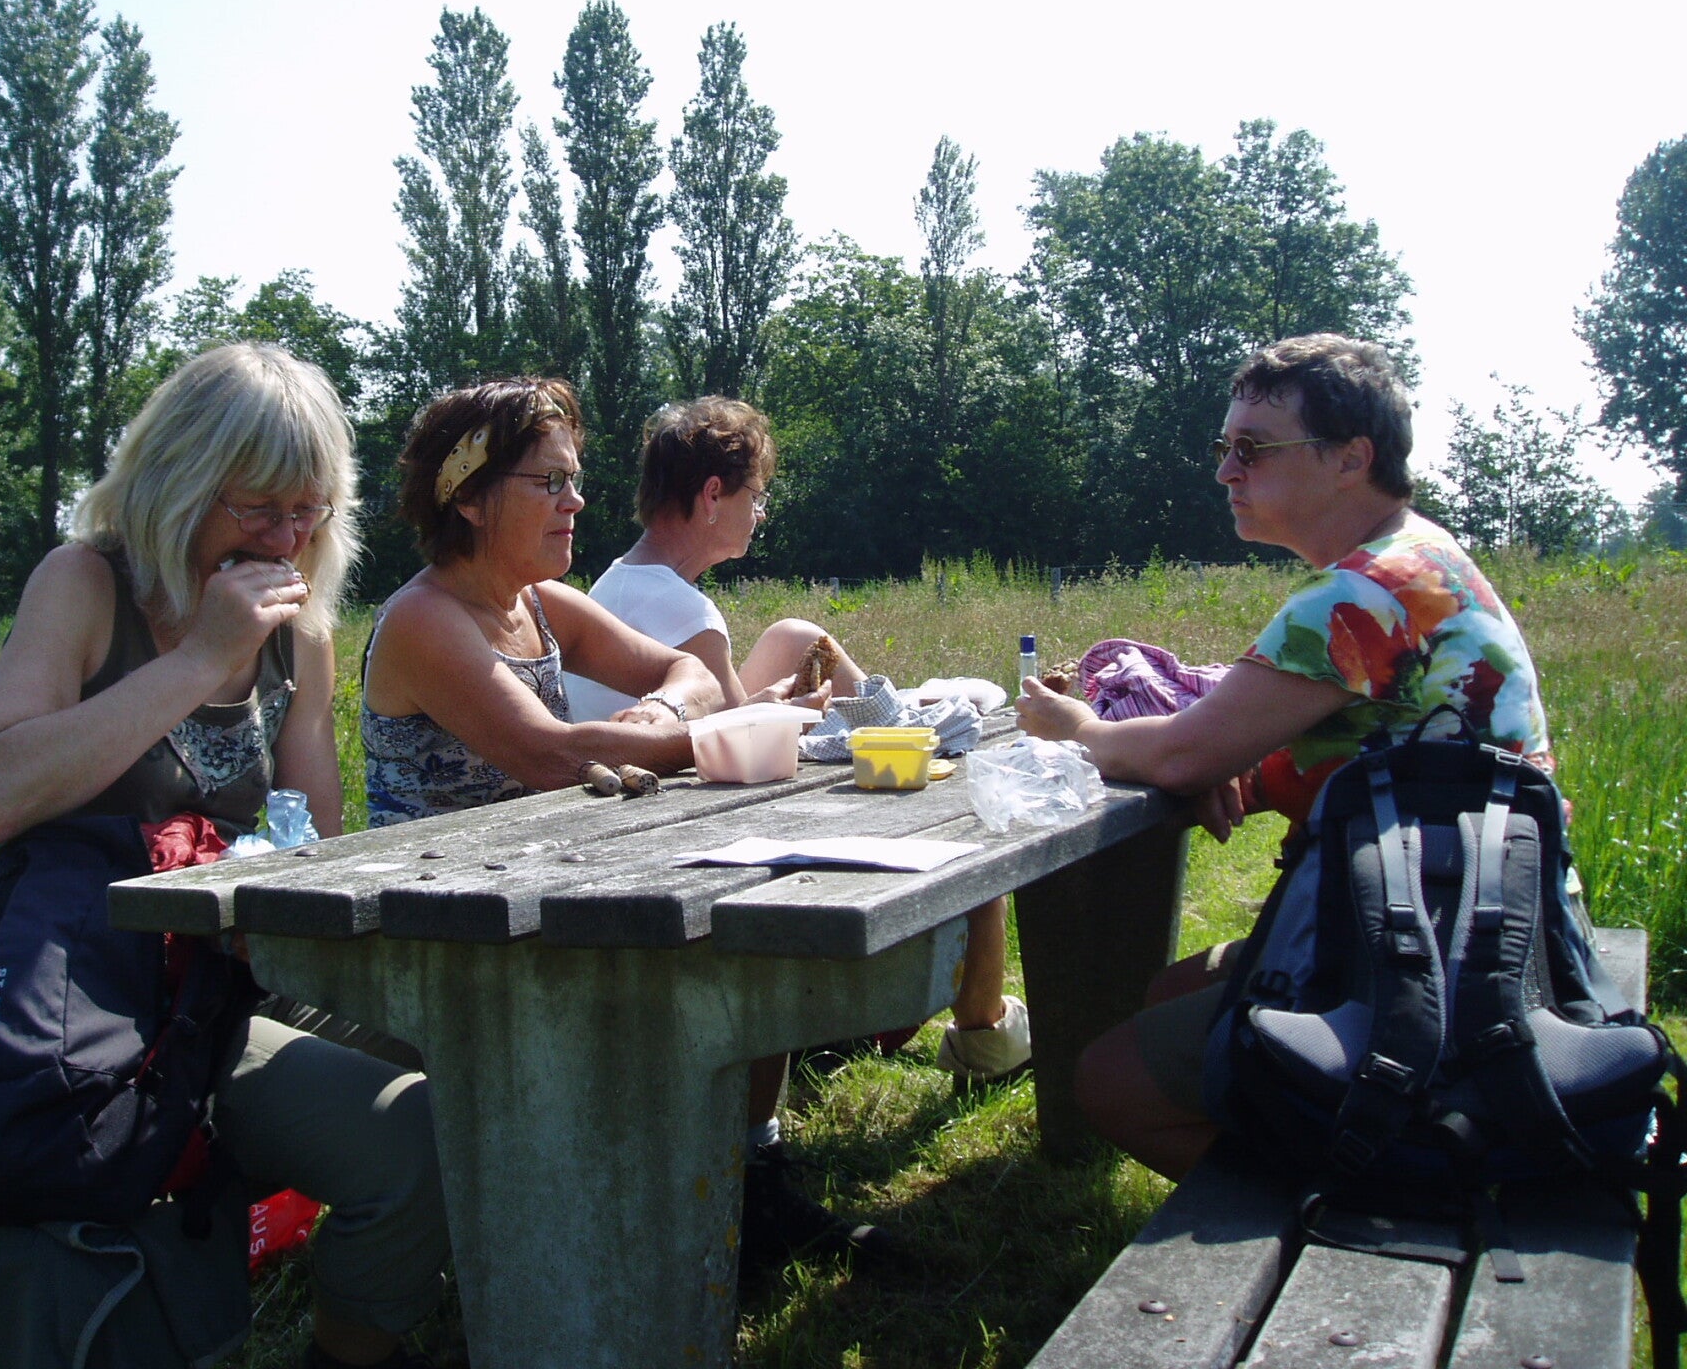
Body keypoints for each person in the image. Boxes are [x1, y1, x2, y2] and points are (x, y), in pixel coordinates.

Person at [0, 342, 445, 1369]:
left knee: (467, 1029)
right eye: (258, 509)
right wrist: (200, 659)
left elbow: (312, 845)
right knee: (408, 1143)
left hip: (228, 986)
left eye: (308, 511)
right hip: (99, 1009)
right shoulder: (86, 584)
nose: (287, 539)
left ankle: (394, 1311)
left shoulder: (298, 630)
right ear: (176, 483)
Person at [1017, 333, 1555, 1183]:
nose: (1226, 472)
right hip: (1480, 913)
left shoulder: (1361, 593)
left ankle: (1381, 1197)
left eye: (1254, 449)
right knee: (1166, 994)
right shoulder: (1415, 559)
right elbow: (1365, 747)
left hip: (1436, 954)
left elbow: (1177, 755)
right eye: (1224, 447)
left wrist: (1075, 725)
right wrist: (1233, 769)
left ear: (1351, 458)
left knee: (1109, 1083)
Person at [558, 397, 1030, 1262]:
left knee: (799, 634)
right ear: (712, 494)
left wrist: (779, 704)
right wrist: (802, 720)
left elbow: (716, 722)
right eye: (756, 495)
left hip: (631, 828)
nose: (761, 513)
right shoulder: (687, 613)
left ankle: (972, 1026)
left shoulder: (615, 586)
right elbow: (737, 757)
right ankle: (975, 1033)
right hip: (670, 854)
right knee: (959, 829)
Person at [362, 378, 723, 824]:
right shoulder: (422, 618)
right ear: (469, 497)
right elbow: (553, 755)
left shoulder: (539, 603)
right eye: (551, 481)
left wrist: (663, 707)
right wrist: (741, 731)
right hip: (427, 867)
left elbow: (694, 673)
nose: (575, 501)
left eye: (572, 479)